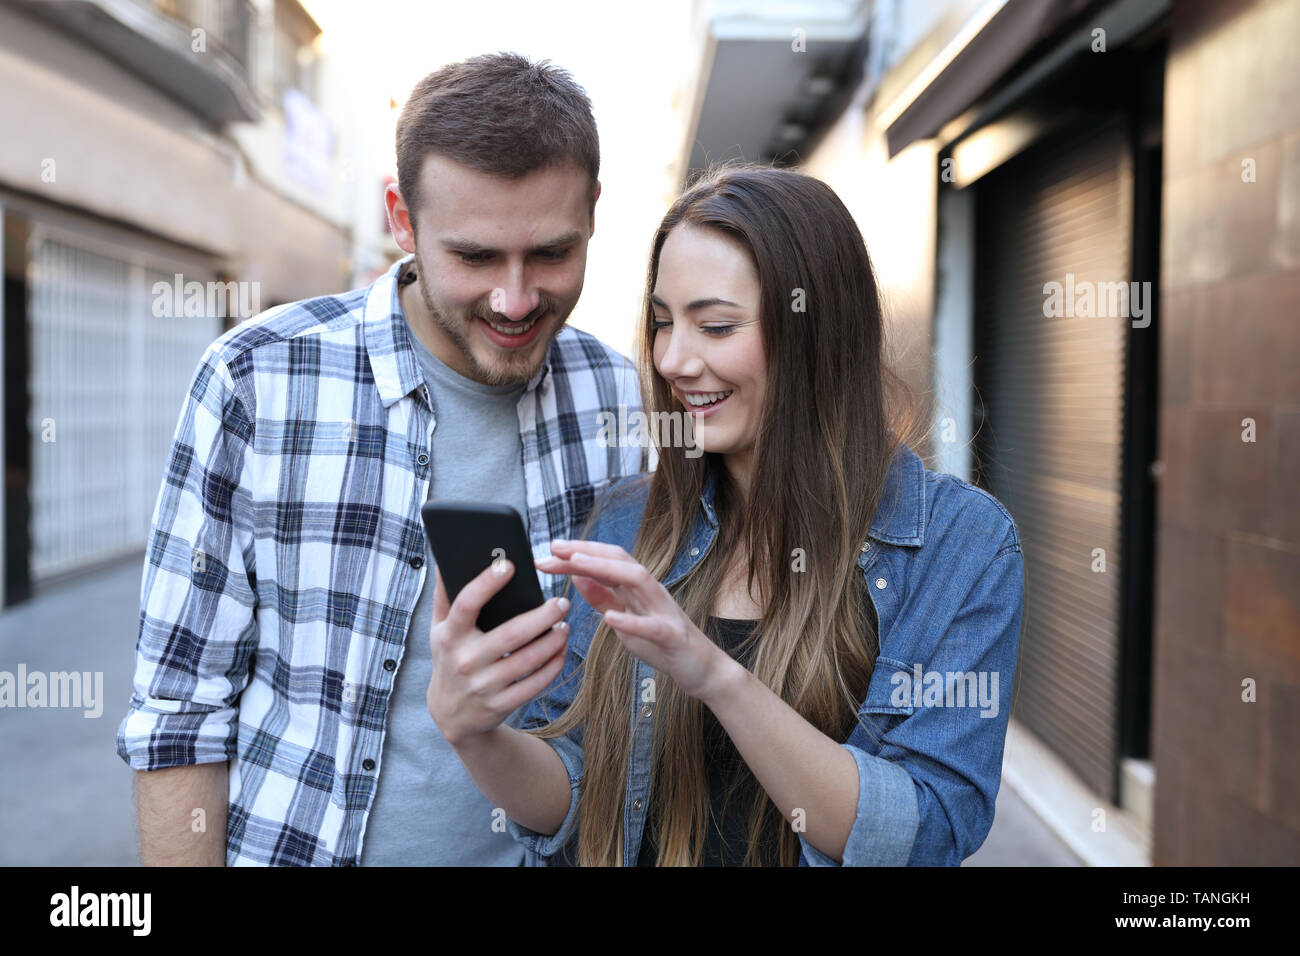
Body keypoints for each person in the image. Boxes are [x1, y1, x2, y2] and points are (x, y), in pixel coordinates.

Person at [114, 53, 647, 866]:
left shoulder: (616, 393)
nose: (514, 299)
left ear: (595, 212)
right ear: (401, 217)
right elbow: (181, 708)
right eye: (473, 257)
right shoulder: (256, 378)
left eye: (549, 254)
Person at [426, 164, 1025, 866]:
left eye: (715, 326)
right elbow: (573, 794)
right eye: (661, 324)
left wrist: (711, 673)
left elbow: (927, 831)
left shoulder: (964, 546)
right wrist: (476, 734)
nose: (675, 360)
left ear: (814, 330)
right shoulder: (628, 521)